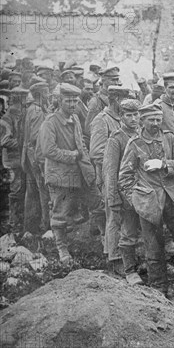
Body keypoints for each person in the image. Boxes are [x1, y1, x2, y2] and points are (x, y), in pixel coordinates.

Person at [118, 103, 174, 294]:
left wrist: (163, 163)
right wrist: (137, 199)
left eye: (158, 119)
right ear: (142, 121)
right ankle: (159, 289)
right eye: (151, 119)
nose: (155, 123)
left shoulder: (169, 137)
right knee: (153, 246)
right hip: (149, 201)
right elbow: (125, 177)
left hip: (173, 199)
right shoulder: (135, 143)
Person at [39, 84, 105, 263]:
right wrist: (72, 155)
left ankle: (106, 241)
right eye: (68, 101)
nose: (73, 104)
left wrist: (87, 163)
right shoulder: (50, 122)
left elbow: (80, 143)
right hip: (61, 175)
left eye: (75, 100)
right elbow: (48, 150)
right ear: (60, 102)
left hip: (82, 172)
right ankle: (62, 249)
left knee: (98, 204)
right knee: (61, 213)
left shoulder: (75, 117)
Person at [90, 85, 132, 269]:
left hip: (125, 175)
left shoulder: (123, 119)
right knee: (113, 215)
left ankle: (121, 254)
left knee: (125, 217)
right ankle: (115, 259)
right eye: (122, 100)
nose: (125, 105)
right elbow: (96, 152)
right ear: (113, 99)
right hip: (109, 174)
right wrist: (119, 157)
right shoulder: (102, 120)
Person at [103, 99, 143, 285]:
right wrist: (113, 196)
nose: (134, 119)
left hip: (139, 190)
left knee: (136, 228)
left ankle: (135, 260)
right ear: (121, 117)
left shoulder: (141, 134)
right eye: (129, 115)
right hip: (122, 190)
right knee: (122, 227)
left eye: (136, 114)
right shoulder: (116, 139)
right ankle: (120, 263)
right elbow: (110, 171)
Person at [21, 82, 51, 234]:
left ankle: (30, 228)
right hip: (36, 157)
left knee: (32, 192)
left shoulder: (31, 109)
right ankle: (46, 227)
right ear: (40, 94)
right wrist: (41, 161)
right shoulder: (38, 111)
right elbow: (36, 138)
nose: (49, 94)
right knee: (44, 191)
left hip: (29, 156)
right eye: (47, 92)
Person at [1, 87, 28, 233]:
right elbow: (4, 141)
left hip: (21, 160)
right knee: (16, 191)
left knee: (21, 190)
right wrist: (22, 142)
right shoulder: (8, 116)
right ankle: (13, 222)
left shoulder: (21, 113)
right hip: (13, 161)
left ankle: (18, 222)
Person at [85, 67, 120, 137]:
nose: (116, 83)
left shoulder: (117, 99)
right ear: (104, 80)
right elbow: (89, 129)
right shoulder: (96, 101)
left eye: (117, 80)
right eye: (113, 80)